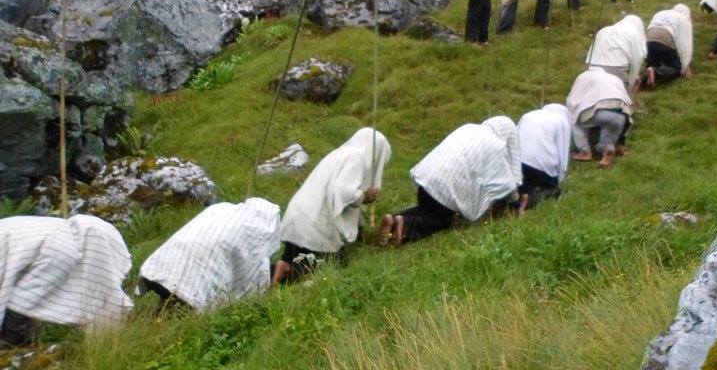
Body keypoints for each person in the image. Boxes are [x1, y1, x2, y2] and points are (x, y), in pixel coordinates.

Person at [272, 128, 390, 284]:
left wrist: (360, 227)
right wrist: (364, 196)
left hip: (298, 218)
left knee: (294, 255)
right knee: (336, 268)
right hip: (314, 225)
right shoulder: (357, 158)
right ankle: (289, 270)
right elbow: (344, 193)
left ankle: (279, 268)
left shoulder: (340, 154)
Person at [377, 123, 519, 246]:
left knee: (426, 209)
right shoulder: (496, 145)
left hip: (427, 175)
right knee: (441, 220)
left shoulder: (468, 128)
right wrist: (515, 203)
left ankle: (393, 219)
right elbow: (507, 184)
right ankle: (406, 227)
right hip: (448, 187)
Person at [0, 214, 132, 346]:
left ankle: (14, 352)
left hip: (48, 249)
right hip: (56, 240)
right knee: (25, 304)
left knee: (20, 307)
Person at [141, 198, 280, 305]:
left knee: (168, 306)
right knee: (180, 314)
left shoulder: (221, 209)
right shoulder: (255, 232)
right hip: (194, 283)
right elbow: (251, 280)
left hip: (160, 264)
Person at [566, 67, 633, 169]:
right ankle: (616, 147)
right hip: (623, 115)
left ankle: (585, 152)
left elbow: (571, 102)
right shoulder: (615, 78)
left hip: (600, 112)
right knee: (610, 132)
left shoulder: (583, 77)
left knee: (571, 116)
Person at [515, 104, 573, 209]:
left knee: (523, 186)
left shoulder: (529, 115)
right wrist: (559, 178)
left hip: (518, 160)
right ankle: (532, 200)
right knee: (552, 190)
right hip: (543, 163)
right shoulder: (562, 121)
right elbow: (562, 149)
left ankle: (517, 200)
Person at [585, 14, 647, 92]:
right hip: (617, 69)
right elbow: (636, 61)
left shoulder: (603, 30)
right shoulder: (633, 33)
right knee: (618, 96)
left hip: (593, 68)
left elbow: (590, 56)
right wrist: (631, 83)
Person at [642, 3, 694, 88]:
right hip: (665, 38)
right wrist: (685, 65)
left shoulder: (661, 13)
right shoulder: (683, 19)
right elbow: (684, 45)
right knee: (677, 69)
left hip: (649, 39)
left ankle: (640, 79)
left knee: (654, 63)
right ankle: (654, 71)